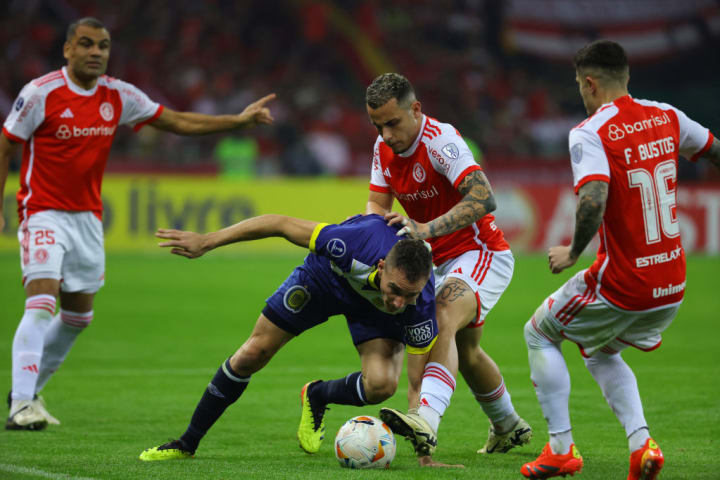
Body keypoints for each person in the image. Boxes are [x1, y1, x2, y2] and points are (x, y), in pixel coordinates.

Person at [1, 17, 276, 430]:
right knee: (42, 302)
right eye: (87, 44)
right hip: (43, 212)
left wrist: (237, 121)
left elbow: (177, 121)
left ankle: (28, 391)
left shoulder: (118, 94)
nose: (96, 52)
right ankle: (21, 404)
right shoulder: (41, 93)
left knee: (78, 317)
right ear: (68, 50)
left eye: (104, 46)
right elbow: (7, 143)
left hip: (88, 219)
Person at [520, 40, 719, 480]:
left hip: (625, 281)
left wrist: (572, 252)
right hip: (673, 281)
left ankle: (560, 449)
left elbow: (593, 197)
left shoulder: (591, 131)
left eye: (579, 85)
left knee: (538, 333)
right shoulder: (668, 116)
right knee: (599, 351)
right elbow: (716, 150)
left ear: (589, 83)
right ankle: (641, 445)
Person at [334, 73, 531, 464]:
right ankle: (508, 426)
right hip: (435, 261)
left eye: (393, 123)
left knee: (441, 316)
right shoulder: (382, 148)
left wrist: (425, 229)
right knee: (467, 351)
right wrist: (380, 249)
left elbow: (484, 196)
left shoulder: (441, 141)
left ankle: (425, 419)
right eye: (378, 125)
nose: (386, 134)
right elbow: (378, 207)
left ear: (416, 109)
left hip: (480, 251)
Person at [138, 213, 437, 460]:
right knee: (253, 353)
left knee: (382, 385)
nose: (399, 301)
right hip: (325, 280)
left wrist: (425, 456)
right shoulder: (352, 244)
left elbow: (416, 383)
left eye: (408, 295)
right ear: (382, 267)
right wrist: (207, 241)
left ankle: (317, 395)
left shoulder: (419, 304)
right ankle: (187, 443)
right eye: (395, 290)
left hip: (373, 311)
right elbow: (279, 224)